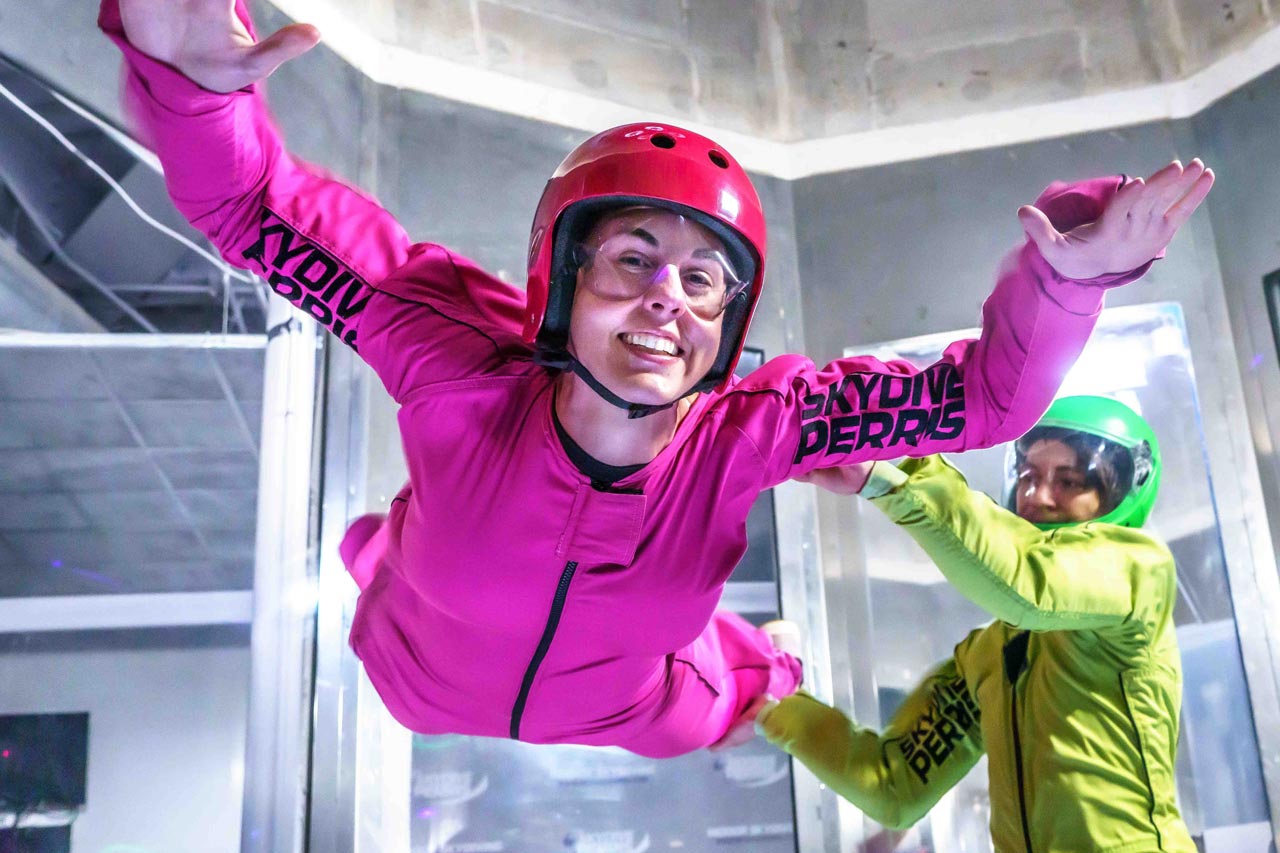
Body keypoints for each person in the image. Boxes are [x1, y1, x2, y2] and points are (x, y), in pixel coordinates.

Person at [98, 0, 1214, 758]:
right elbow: (254, 212)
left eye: (701, 282)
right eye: (632, 259)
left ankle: (750, 666)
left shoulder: (758, 425)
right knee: (402, 556)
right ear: (562, 275)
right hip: (412, 675)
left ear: (726, 325)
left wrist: (1071, 278)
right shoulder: (453, 348)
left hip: (638, 705)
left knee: (730, 695)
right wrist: (190, 89)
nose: (666, 300)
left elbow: (982, 403)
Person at [756, 396, 1195, 851]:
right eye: (1028, 477)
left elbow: (1027, 581)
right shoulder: (993, 652)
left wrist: (897, 469)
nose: (1038, 496)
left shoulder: (1141, 571)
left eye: (1068, 481)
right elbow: (896, 783)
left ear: (1122, 493)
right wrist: (776, 704)